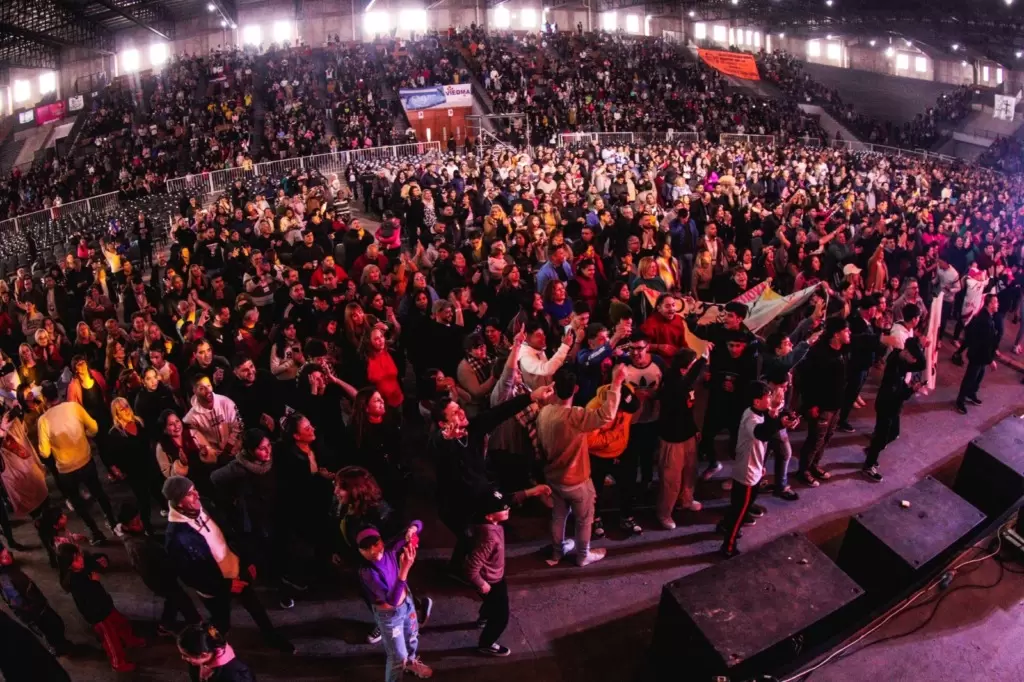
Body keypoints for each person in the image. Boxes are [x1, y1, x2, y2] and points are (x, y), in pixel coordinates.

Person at [162, 476, 294, 653]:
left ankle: (270, 636)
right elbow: (190, 576)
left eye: (194, 489)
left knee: (255, 607)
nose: (197, 495)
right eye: (189, 494)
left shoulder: (205, 505)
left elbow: (231, 533)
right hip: (216, 588)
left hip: (236, 569)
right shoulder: (176, 537)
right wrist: (226, 586)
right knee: (221, 621)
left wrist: (246, 561)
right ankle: (214, 654)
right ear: (178, 502)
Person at [537, 364, 624, 567]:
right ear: (576, 389)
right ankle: (583, 555)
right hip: (577, 481)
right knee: (584, 520)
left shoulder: (545, 412)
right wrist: (617, 383)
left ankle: (557, 553)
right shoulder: (575, 416)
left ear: (554, 386)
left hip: (554, 477)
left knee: (558, 516)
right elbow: (606, 415)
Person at [718, 381, 799, 558]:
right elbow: (761, 433)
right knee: (740, 510)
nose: (770, 399)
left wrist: (782, 419)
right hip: (746, 472)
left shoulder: (759, 413)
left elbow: (768, 429)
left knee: (742, 504)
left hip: (754, 468)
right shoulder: (750, 418)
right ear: (756, 402)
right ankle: (728, 546)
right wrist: (778, 419)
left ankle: (725, 525)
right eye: (767, 397)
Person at [37, 380, 117, 545]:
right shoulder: (74, 407)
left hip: (66, 469)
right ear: (58, 394)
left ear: (44, 398)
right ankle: (113, 523)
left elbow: (44, 452)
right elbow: (94, 427)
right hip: (85, 460)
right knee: (98, 492)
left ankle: (96, 532)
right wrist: (83, 434)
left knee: (78, 503)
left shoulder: (43, 420)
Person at [357, 523, 433, 680]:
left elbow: (419, 523)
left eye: (375, 544)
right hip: (390, 616)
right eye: (366, 548)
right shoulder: (367, 572)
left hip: (407, 604)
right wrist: (404, 569)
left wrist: (412, 530)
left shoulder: (390, 548)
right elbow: (391, 600)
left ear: (381, 541)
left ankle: (411, 663)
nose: (373, 550)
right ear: (360, 551)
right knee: (397, 658)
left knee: (412, 636)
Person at [57, 543, 145, 672]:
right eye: (75, 560)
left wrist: (102, 559)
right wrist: (94, 582)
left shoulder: (82, 567)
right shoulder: (74, 580)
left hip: (105, 605)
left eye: (79, 556)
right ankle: (118, 662)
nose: (80, 560)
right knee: (111, 640)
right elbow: (87, 597)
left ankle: (129, 639)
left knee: (121, 623)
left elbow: (93, 559)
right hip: (97, 614)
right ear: (68, 565)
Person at [116, 502, 202, 635]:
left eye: (139, 520)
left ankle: (166, 624)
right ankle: (197, 623)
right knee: (183, 600)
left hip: (161, 577)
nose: (140, 524)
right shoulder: (137, 546)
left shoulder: (135, 537)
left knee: (173, 599)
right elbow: (149, 568)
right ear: (126, 526)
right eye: (135, 523)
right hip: (161, 579)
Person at [655, 346, 709, 529]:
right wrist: (701, 360)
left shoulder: (686, 382)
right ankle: (664, 513)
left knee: (690, 472)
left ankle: (686, 499)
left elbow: (688, 409)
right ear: (684, 368)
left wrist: (694, 429)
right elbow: (683, 388)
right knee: (671, 480)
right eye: (693, 365)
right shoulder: (673, 383)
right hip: (672, 440)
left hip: (687, 435)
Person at [862, 338, 926, 481]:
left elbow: (922, 364)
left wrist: (918, 345)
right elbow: (898, 394)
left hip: (892, 406)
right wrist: (911, 390)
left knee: (893, 433)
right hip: (887, 405)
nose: (914, 361)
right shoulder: (895, 368)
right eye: (913, 357)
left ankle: (873, 450)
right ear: (907, 352)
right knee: (882, 436)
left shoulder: (900, 359)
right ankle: (869, 465)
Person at [0, 547, 78, 656]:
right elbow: (17, 602)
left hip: (38, 606)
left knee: (56, 625)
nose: (7, 554)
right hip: (35, 613)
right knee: (51, 630)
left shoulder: (10, 570)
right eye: (3, 555)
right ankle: (59, 648)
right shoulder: (5, 579)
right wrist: (35, 609)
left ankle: (60, 644)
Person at [586, 383, 641, 538]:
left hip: (622, 451)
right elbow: (590, 441)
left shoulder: (627, 390)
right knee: (595, 490)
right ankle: (595, 519)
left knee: (628, 485)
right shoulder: (593, 410)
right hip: (598, 456)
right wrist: (615, 435)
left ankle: (626, 517)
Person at [465, 490, 513, 657]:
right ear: (490, 516)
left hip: (495, 574)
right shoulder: (489, 537)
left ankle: (484, 618)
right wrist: (481, 583)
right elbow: (471, 568)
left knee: (492, 603)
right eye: (503, 509)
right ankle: (486, 643)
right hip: (491, 580)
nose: (508, 509)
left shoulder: (487, 524)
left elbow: (511, 497)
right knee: (502, 617)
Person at [956, 294, 1001, 415]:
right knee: (970, 377)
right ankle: (960, 400)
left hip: (981, 356)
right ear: (990, 304)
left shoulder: (988, 317)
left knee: (979, 376)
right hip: (977, 355)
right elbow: (984, 343)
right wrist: (991, 360)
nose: (998, 304)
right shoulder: (984, 319)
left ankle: (971, 393)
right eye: (996, 302)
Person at [177, 623, 256, 682]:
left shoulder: (234, 676)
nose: (183, 658)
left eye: (186, 655)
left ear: (204, 655)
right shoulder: (201, 658)